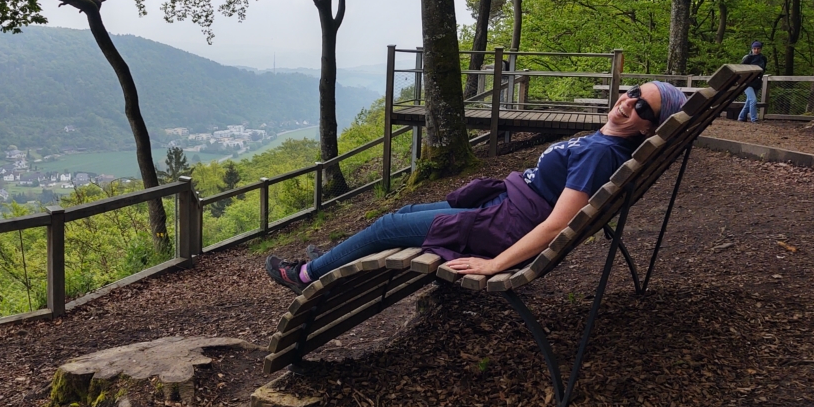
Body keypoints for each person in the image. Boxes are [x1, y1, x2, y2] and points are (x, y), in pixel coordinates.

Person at [265, 81, 689, 294]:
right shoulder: (605, 142)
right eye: (633, 92)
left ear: (650, 125)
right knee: (404, 215)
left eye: (642, 107)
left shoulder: (600, 155)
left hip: (505, 224)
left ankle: (306, 276)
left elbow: (558, 224)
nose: (628, 102)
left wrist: (495, 264)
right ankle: (335, 263)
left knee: (389, 224)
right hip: (506, 204)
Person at [738, 41, 766, 123]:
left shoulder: (763, 58)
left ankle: (741, 117)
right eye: (754, 48)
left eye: (758, 49)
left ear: (760, 49)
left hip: (756, 82)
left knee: (749, 102)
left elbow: (763, 70)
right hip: (747, 82)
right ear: (752, 49)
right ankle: (754, 119)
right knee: (753, 100)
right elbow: (741, 69)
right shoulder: (748, 58)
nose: (756, 50)